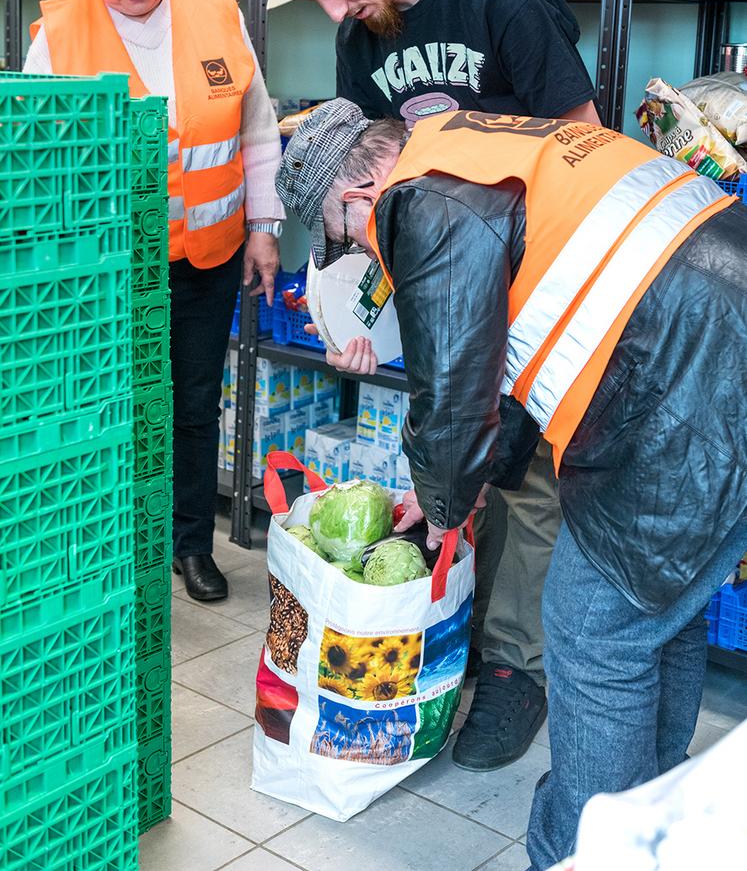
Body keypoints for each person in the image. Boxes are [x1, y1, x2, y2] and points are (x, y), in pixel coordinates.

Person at [273, 96, 747, 871]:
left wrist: (440, 506)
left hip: (687, 379)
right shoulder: (464, 144)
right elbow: (512, 362)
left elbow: (454, 389)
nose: (363, 250)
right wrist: (479, 479)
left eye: (345, 236)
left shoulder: (416, 200)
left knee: (591, 632)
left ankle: (578, 854)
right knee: (660, 612)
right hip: (711, 338)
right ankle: (651, 830)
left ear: (358, 197)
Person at [258, 0, 602, 768]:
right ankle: (458, 632)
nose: (333, 10)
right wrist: (350, 302)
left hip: (541, 281)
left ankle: (514, 671)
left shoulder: (503, 0)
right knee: (461, 457)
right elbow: (360, 179)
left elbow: (585, 146)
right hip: (444, 285)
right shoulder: (362, 39)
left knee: (526, 480)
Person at [24, 0, 285, 603]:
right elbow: (40, 169)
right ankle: (113, 549)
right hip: (108, 270)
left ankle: (190, 545)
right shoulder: (57, 34)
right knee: (114, 406)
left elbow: (256, 128)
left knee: (196, 403)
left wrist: (264, 228)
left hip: (207, 256)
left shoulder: (211, 6)